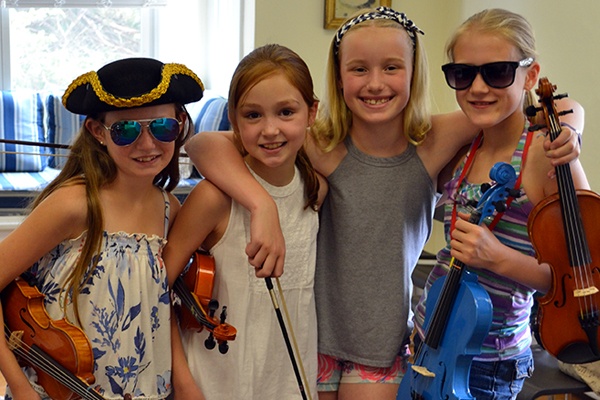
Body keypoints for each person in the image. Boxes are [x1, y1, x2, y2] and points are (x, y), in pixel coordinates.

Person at [183, 7, 581, 400]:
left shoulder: (433, 140)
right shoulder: (318, 141)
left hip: (382, 350)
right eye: (359, 69)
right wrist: (260, 205)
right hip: (309, 337)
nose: (376, 83)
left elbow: (542, 106)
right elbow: (204, 143)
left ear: (414, 73)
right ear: (338, 79)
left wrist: (571, 125)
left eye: (392, 67)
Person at [0, 57, 203, 399]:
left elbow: (160, 301)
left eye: (162, 127)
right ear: (98, 132)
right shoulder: (75, 205)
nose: (148, 144)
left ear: (180, 123)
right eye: (125, 130)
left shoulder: (170, 210)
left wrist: (183, 383)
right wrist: (19, 386)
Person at [411, 8, 588, 399]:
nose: (477, 87)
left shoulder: (546, 155)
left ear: (529, 75)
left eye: (497, 72)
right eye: (463, 74)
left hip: (488, 364)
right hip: (428, 341)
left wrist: (497, 258)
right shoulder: (464, 145)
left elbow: (579, 280)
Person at [163, 44, 327, 400]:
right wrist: (184, 382)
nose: (270, 130)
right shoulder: (214, 198)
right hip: (214, 383)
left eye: (286, 112)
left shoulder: (315, 191)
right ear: (234, 122)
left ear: (312, 112)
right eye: (252, 116)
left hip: (289, 383)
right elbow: (156, 290)